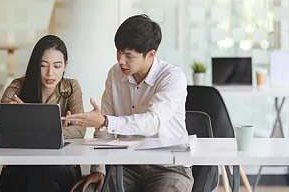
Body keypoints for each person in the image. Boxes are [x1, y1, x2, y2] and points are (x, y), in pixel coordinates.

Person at [65, 14, 194, 192]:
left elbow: (152, 122)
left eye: (128, 55)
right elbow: (105, 133)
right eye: (118, 51)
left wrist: (106, 121)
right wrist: (99, 169)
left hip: (169, 167)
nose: (120, 60)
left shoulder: (172, 77)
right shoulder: (115, 74)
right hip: (126, 166)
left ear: (151, 55)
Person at [0, 35, 105, 192]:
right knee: (31, 176)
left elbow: (79, 131)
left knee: (43, 177)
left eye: (57, 66)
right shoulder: (17, 87)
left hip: (60, 165)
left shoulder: (71, 87)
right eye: (43, 65)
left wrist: (25, 125)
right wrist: (55, 128)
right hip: (21, 164)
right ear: (35, 65)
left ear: (65, 65)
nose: (50, 73)